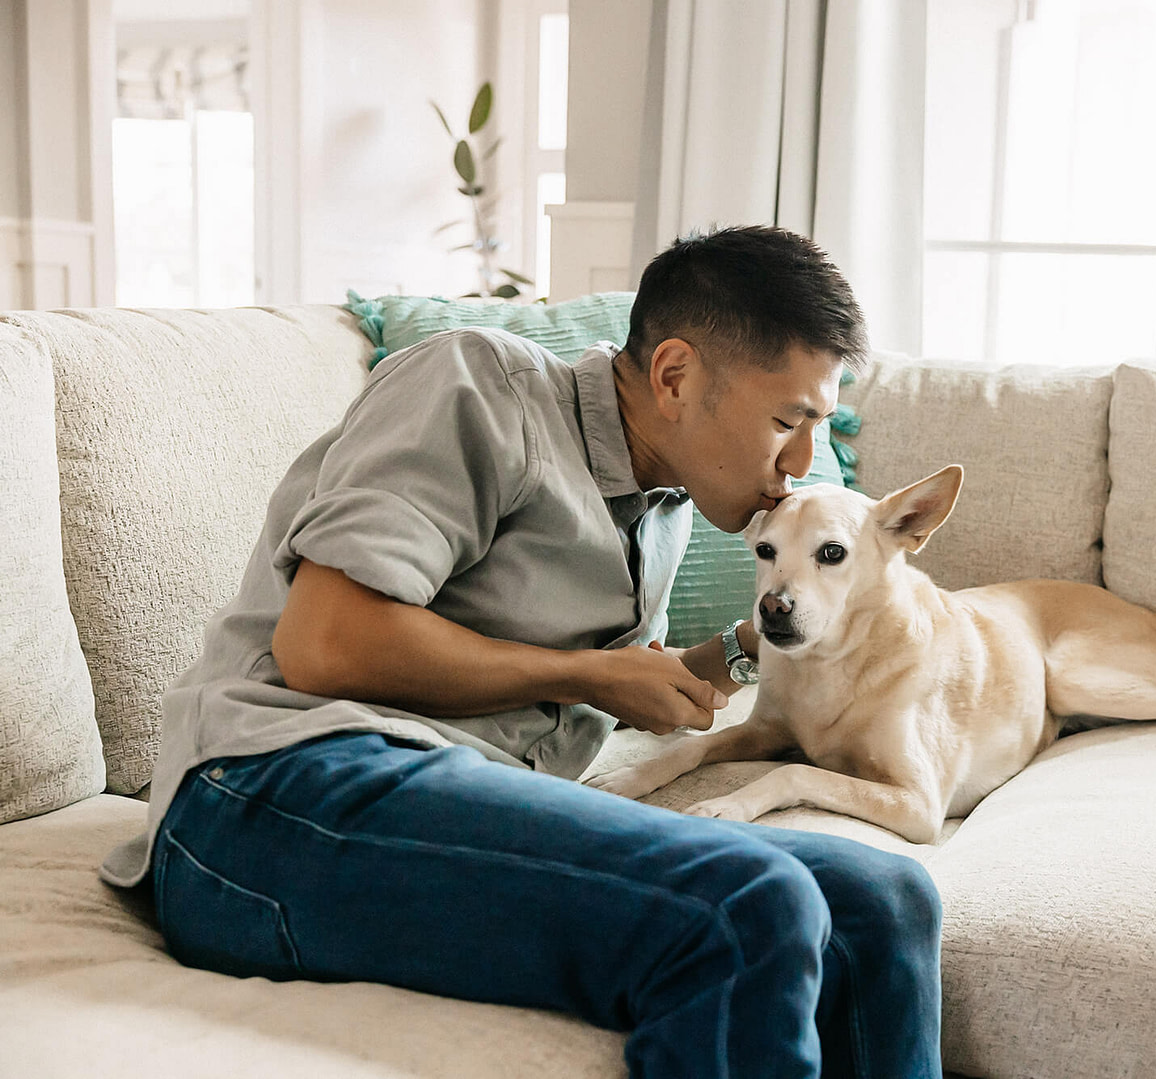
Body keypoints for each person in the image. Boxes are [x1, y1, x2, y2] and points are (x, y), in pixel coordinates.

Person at [98, 226, 943, 1078]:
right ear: (676, 376)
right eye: (787, 422)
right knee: (751, 906)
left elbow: (606, 678)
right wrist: (588, 672)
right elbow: (324, 643)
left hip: (456, 796)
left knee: (884, 898)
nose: (801, 463)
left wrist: (754, 648)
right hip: (272, 794)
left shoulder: (663, 506)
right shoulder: (476, 383)